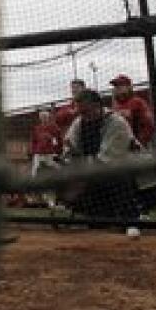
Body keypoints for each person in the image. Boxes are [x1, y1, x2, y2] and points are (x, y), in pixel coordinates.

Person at [60, 89, 142, 218]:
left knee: (117, 175)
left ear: (97, 106)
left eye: (85, 111)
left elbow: (107, 160)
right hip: (96, 173)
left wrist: (79, 176)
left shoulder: (116, 123)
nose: (83, 115)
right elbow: (69, 150)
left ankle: (130, 215)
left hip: (133, 176)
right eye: (80, 112)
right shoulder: (79, 123)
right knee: (97, 219)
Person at [28, 107, 63, 206]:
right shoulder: (37, 128)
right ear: (40, 118)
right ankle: (34, 198)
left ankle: (52, 200)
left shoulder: (54, 128)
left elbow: (59, 141)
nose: (43, 118)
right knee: (35, 176)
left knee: (51, 175)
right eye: (42, 116)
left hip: (50, 155)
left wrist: (57, 152)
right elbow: (33, 141)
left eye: (45, 116)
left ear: (48, 117)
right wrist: (34, 151)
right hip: (38, 155)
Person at [109, 74, 154, 149]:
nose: (117, 88)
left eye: (120, 85)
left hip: (137, 150)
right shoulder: (115, 107)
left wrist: (139, 143)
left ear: (129, 87)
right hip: (120, 150)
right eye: (115, 86)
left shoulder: (138, 102)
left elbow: (149, 124)